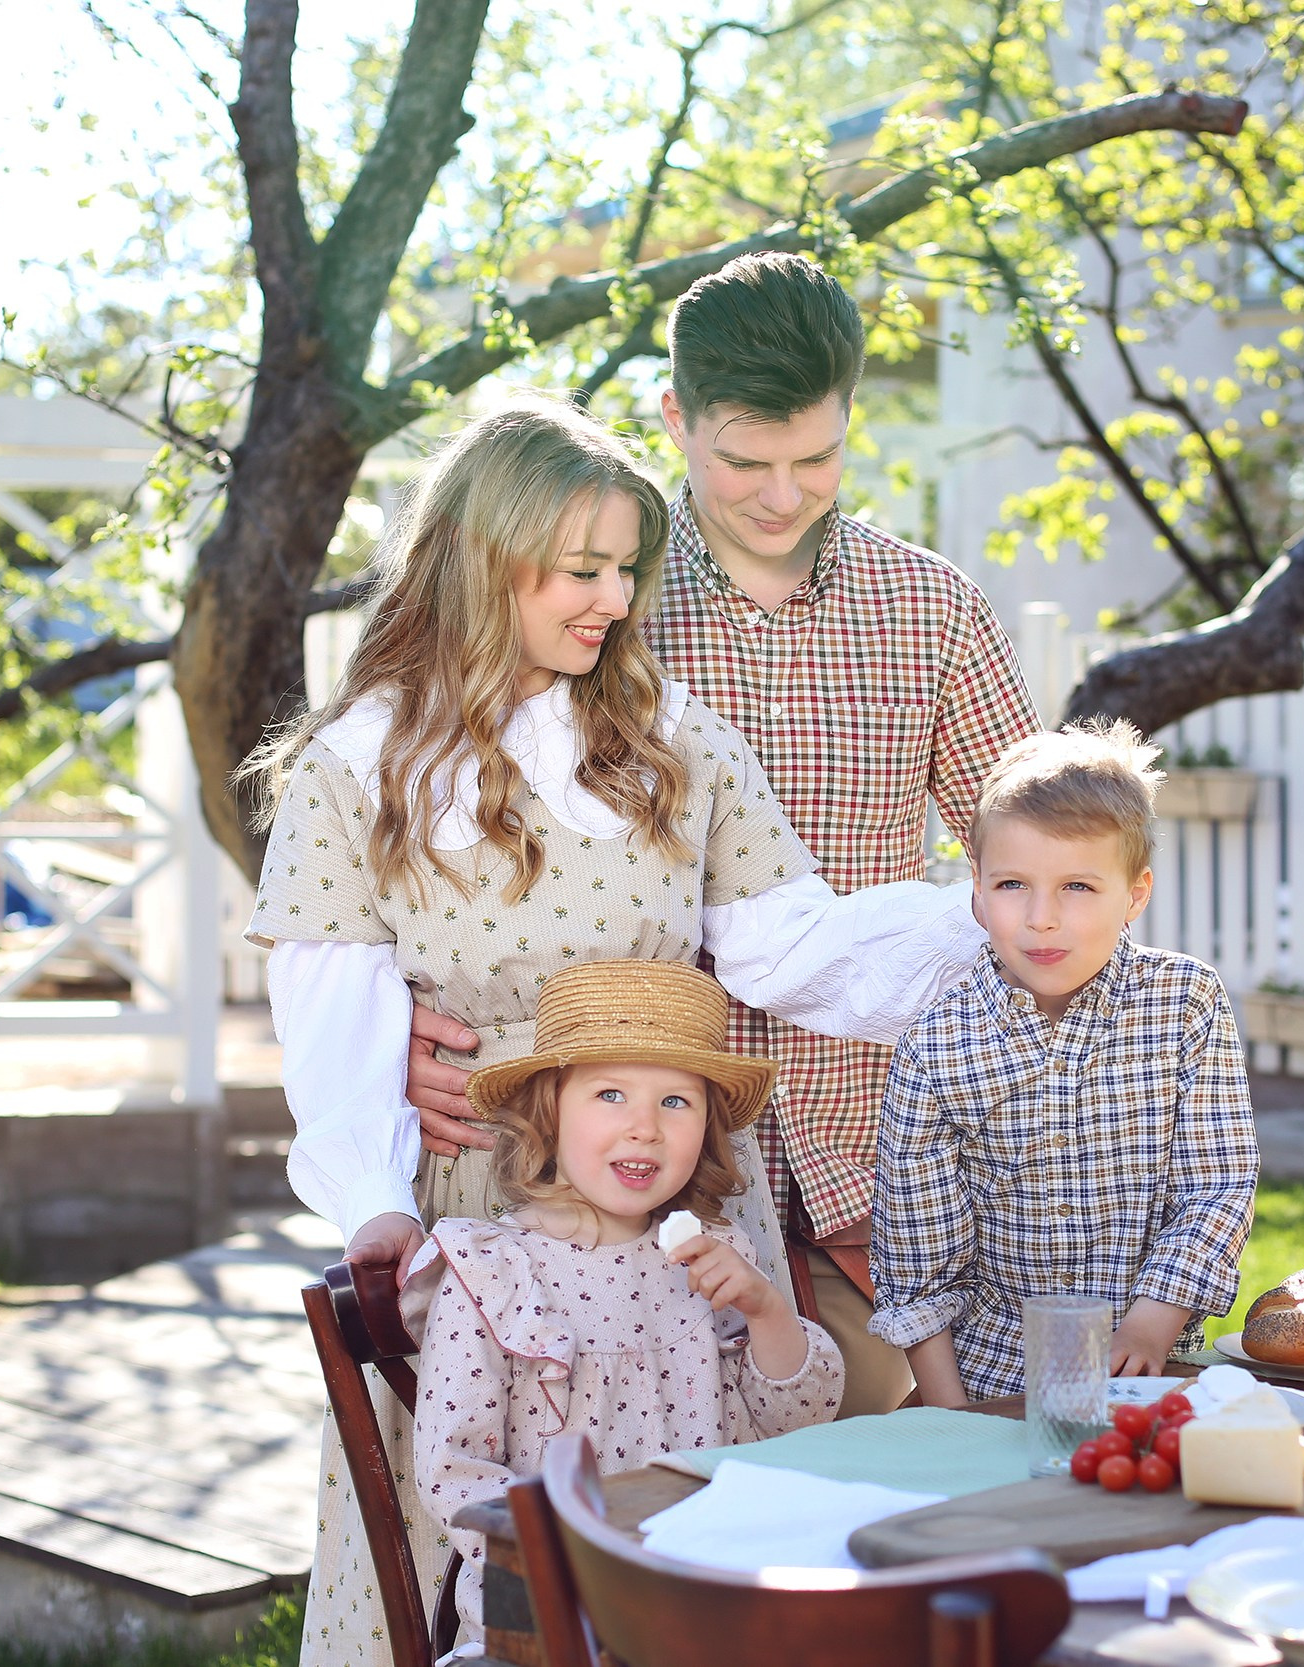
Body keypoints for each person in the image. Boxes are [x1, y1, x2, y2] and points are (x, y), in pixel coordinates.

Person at [244, 397, 978, 1666]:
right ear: (484, 562)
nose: (613, 597)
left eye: (626, 567)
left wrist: (997, 930)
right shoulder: (358, 765)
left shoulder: (666, 737)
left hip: (676, 1198)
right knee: (483, 1549)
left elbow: (788, 941)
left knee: (711, 1528)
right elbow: (335, 1016)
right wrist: (378, 1211)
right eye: (580, 569)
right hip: (485, 1202)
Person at [401, 251, 1042, 1417]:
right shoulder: (595, 596)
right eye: (743, 459)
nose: (782, 493)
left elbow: (1040, 863)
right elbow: (429, 827)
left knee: (879, 1503)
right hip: (624, 1172)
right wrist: (401, 1026)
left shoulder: (931, 608)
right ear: (674, 417)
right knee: (658, 1507)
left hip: (874, 1159)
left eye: (817, 456)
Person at [409, 959, 843, 1640]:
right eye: (611, 1094)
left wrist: (767, 1312)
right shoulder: (494, 1273)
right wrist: (587, 1560)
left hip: (705, 1590)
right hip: (554, 1609)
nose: (645, 1126)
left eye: (676, 1101)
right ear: (549, 1112)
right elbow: (453, 1470)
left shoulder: (711, 1258)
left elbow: (798, 1420)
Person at [867, 722, 1260, 1405]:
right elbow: (917, 1260)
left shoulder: (1186, 1004)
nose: (1041, 918)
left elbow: (1217, 1185)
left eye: (1077, 886)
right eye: (1014, 884)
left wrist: (1148, 1327)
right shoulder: (934, 1046)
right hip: (987, 1382)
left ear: (1135, 894)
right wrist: (955, 1417)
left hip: (1144, 1375)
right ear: (978, 893)